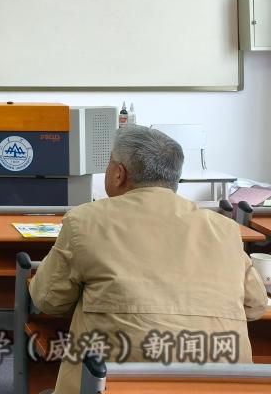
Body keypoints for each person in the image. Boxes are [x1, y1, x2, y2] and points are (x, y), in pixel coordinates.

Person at [29, 125, 266, 394]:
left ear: (119, 173)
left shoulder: (85, 220)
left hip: (114, 384)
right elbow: (255, 306)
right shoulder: (225, 229)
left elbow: (48, 300)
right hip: (223, 386)